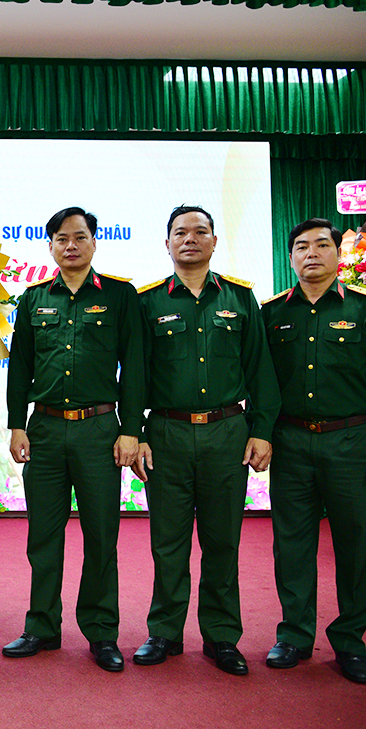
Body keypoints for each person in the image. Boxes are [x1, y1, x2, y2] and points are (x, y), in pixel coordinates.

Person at [263, 219, 366, 685]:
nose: (312, 253)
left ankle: (349, 640)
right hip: (289, 443)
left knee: (353, 544)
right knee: (292, 545)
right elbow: (261, 385)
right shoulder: (271, 314)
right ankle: (294, 635)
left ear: (337, 254)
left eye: (322, 245)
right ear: (290, 258)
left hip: (354, 443)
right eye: (302, 247)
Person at [134, 206, 280, 676]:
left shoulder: (239, 298)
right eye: (180, 232)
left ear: (215, 242)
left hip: (226, 432)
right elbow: (134, 376)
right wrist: (134, 433)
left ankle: (221, 637)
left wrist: (260, 430)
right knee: (167, 542)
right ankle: (164, 632)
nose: (190, 239)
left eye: (200, 232)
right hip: (167, 433)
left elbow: (261, 371)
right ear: (167, 244)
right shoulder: (148, 302)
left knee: (223, 541)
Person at [4, 208, 144, 673]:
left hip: (100, 431)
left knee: (101, 534)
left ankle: (102, 632)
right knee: (43, 535)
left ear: (94, 242)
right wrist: (16, 423)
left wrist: (130, 430)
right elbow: (19, 366)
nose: (71, 246)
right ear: (50, 246)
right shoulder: (32, 300)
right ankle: (41, 626)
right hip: (43, 431)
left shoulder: (121, 297)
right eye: (61, 239)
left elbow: (136, 369)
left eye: (80, 237)